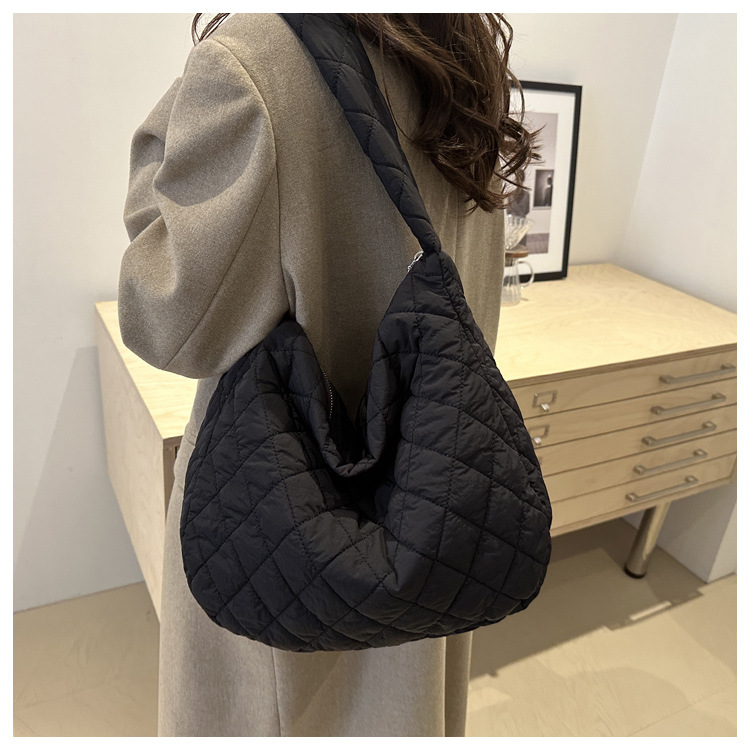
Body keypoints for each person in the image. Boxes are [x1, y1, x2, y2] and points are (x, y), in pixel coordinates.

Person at [118, 12, 538, 737]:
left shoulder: (253, 58)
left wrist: (171, 128)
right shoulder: (461, 51)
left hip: (283, 520)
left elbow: (164, 318)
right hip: (431, 496)